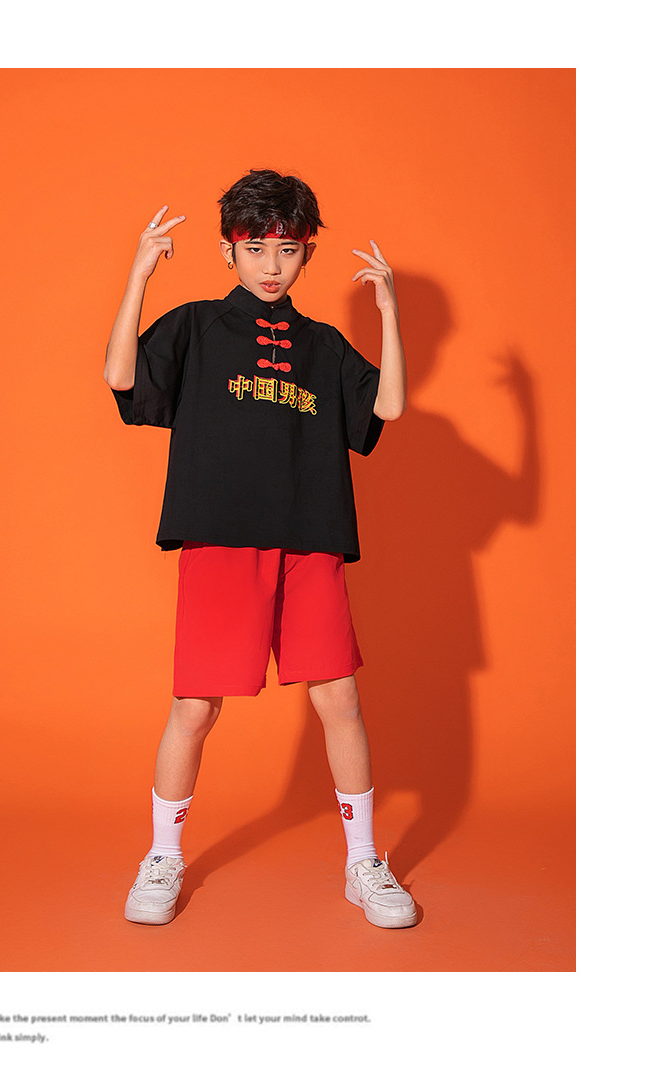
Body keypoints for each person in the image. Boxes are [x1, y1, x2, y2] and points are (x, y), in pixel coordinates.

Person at [104, 169, 417, 929]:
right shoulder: (196, 326)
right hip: (221, 540)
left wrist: (388, 311)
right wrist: (139, 275)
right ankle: (163, 857)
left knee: (339, 698)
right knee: (195, 706)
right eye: (255, 249)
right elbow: (120, 377)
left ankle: (363, 862)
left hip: (309, 542)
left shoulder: (323, 346)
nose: (272, 266)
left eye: (288, 250)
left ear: (306, 253)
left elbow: (388, 406)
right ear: (229, 251)